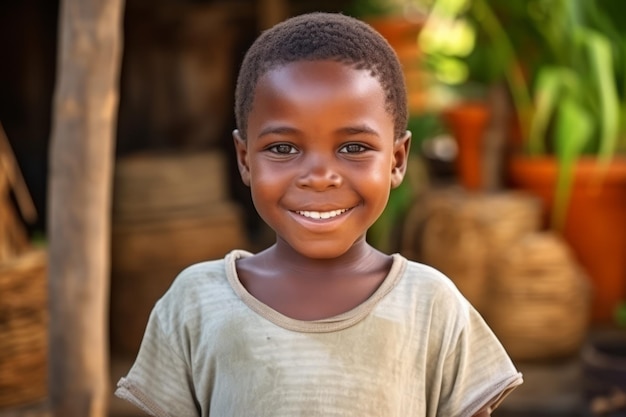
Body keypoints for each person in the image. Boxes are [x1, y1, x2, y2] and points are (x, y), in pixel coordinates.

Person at [115, 12, 523, 417]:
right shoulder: (196, 303)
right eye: (282, 149)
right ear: (244, 160)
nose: (320, 178)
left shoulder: (431, 304)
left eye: (353, 148)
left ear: (397, 160)